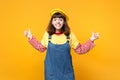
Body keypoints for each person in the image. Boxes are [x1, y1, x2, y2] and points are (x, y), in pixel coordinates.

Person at [24, 8, 99, 80]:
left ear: (64, 22)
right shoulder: (47, 35)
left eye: (60, 19)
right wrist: (30, 37)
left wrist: (91, 39)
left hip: (66, 72)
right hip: (51, 72)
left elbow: (80, 50)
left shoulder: (69, 35)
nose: (58, 22)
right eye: (55, 19)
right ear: (52, 22)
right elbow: (41, 48)